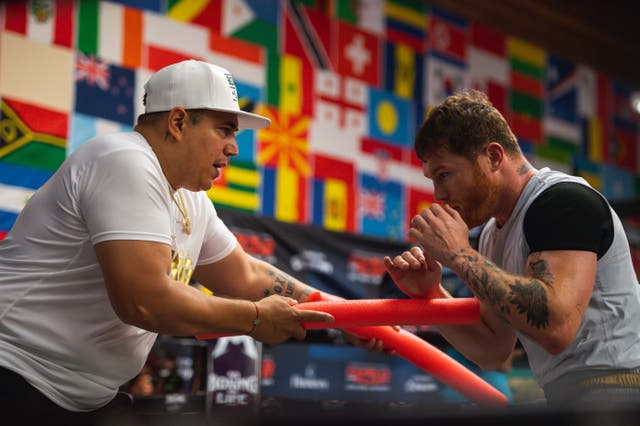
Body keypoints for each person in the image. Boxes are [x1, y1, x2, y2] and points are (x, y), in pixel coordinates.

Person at [0, 59, 341, 423]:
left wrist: (349, 318)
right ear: (178, 122)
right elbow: (144, 301)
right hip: (15, 380)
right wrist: (255, 319)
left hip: (79, 397)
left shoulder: (190, 198)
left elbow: (248, 275)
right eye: (225, 130)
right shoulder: (124, 161)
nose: (234, 148)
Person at [384, 89, 640, 407]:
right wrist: (432, 295)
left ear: (493, 156)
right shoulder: (493, 234)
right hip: (571, 393)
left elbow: (557, 327)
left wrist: (459, 254)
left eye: (444, 174)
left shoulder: (563, 201)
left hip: (621, 386)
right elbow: (493, 351)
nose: (438, 194)